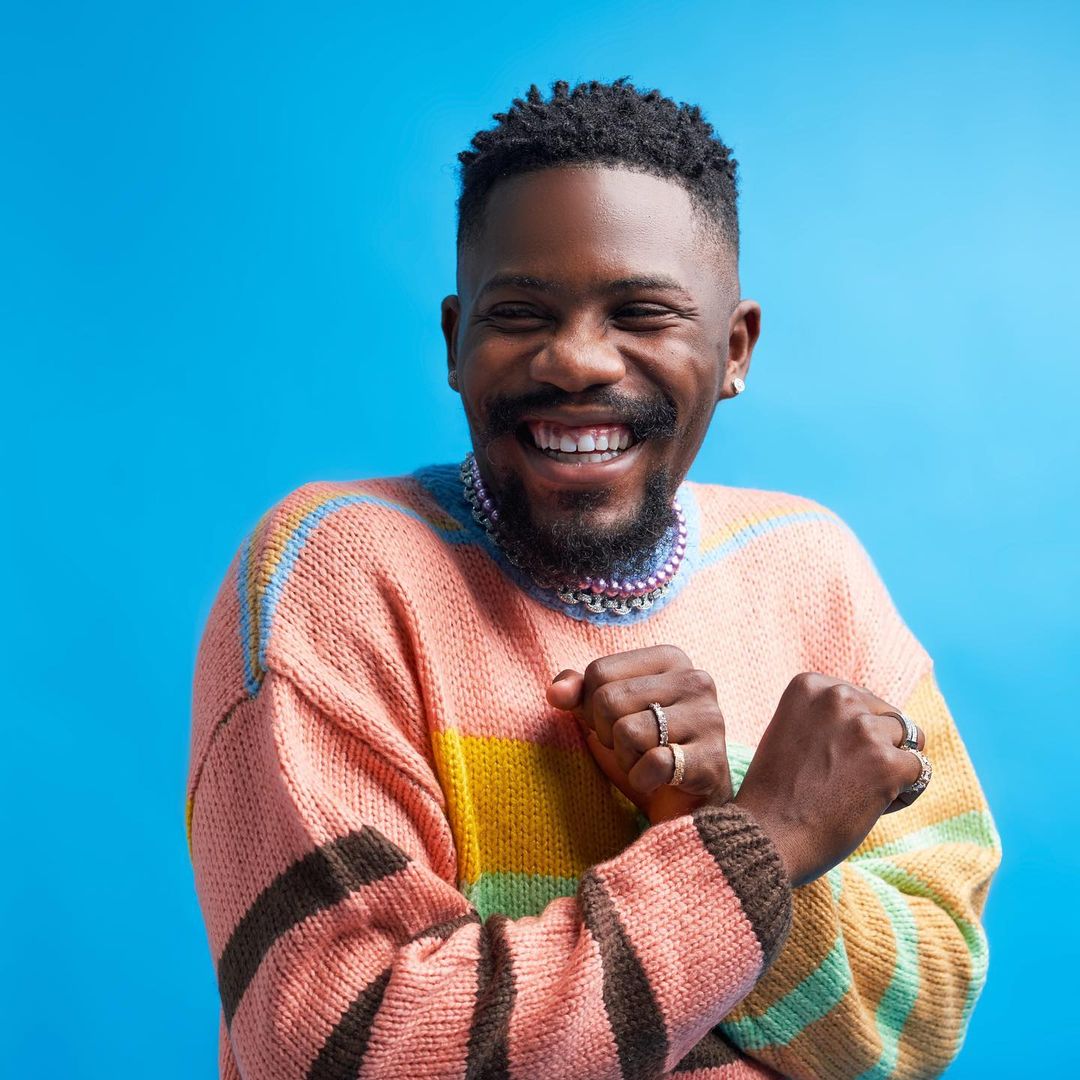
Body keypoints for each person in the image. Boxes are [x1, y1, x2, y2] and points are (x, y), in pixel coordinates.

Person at [187, 79, 1000, 1080]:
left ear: (734, 349)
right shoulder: (337, 573)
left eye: (642, 313)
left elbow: (921, 1021)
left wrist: (708, 820)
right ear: (455, 342)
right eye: (520, 312)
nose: (575, 360)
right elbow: (346, 1046)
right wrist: (762, 840)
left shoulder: (811, 565)